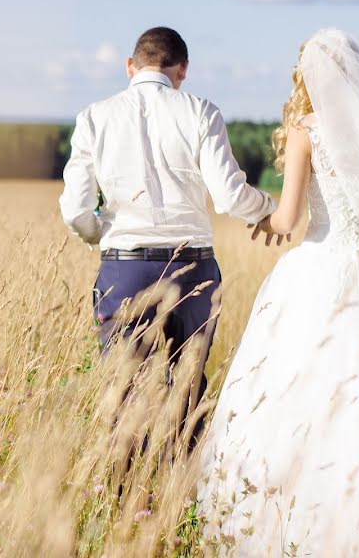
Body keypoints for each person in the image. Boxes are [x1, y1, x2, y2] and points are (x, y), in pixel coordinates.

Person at [197, 28, 359, 556]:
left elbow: (290, 216)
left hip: (320, 268)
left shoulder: (306, 132)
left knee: (308, 399)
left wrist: (264, 220)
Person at [59, 26, 276, 400]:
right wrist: (268, 210)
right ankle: (183, 460)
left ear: (131, 66)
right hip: (194, 271)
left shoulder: (93, 117)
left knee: (123, 393)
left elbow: (77, 210)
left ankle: (126, 460)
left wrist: (99, 234)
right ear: (183, 69)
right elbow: (228, 196)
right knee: (188, 390)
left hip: (125, 267)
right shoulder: (202, 111)